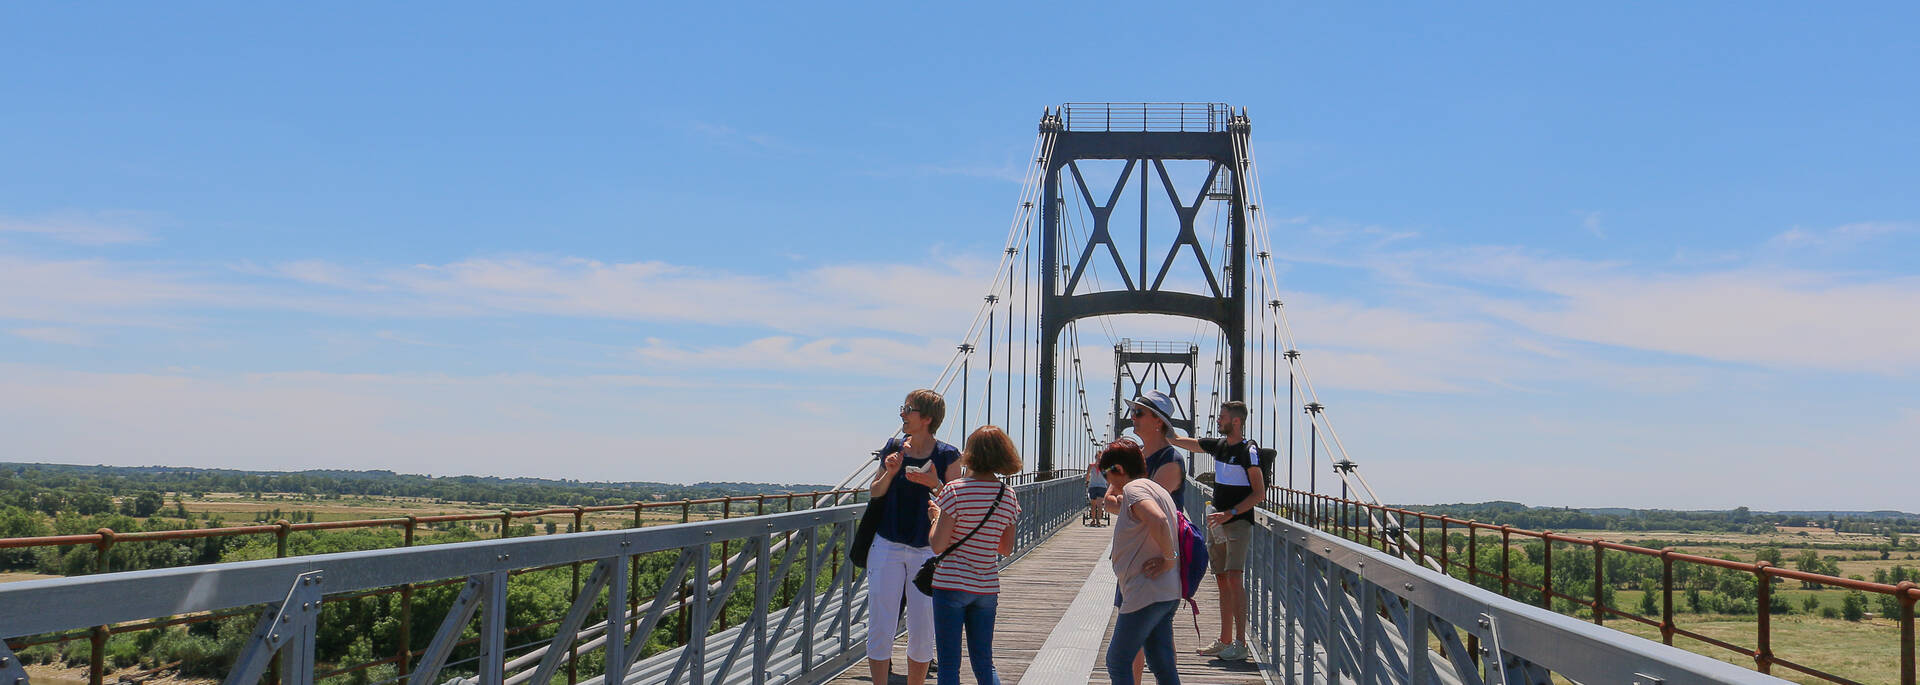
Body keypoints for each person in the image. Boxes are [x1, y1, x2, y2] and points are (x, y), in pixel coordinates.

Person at [867, 389, 964, 685]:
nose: (902, 414)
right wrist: (890, 472)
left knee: (922, 629)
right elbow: (875, 492)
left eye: (908, 409)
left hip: (928, 550)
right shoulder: (893, 447)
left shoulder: (948, 455)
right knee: (881, 625)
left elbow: (959, 504)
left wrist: (935, 484)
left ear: (927, 418)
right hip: (887, 544)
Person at [1168, 400, 1264, 662]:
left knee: (1234, 578)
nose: (1218, 421)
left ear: (1236, 421)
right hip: (1217, 523)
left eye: (1222, 418)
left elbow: (1259, 493)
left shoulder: (1248, 450)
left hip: (1237, 522)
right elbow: (1187, 442)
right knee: (1221, 579)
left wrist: (1231, 513)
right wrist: (1165, 430)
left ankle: (1241, 643)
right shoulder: (1220, 446)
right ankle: (1224, 640)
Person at [928, 426, 1024, 685]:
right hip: (985, 587)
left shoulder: (954, 491)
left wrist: (936, 519)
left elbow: (937, 545)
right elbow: (1005, 548)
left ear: (969, 453)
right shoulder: (1008, 495)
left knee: (949, 665)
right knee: (983, 661)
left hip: (950, 585)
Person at [1098, 440, 1183, 685]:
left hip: (1145, 592)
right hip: (1166, 591)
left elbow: (1157, 520)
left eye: (1107, 473)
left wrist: (1168, 559)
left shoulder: (1135, 490)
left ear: (1119, 469)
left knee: (1117, 661)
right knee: (1161, 663)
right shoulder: (1156, 489)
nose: (1107, 480)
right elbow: (1112, 504)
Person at [1126, 390, 1187, 513]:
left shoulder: (1171, 462)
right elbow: (1110, 501)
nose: (1132, 417)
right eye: (1133, 411)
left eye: (1138, 412)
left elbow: (1148, 508)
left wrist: (1123, 497)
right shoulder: (1135, 455)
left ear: (1158, 421)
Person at [1085, 459, 1109, 526]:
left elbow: (1087, 476)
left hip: (1093, 487)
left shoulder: (1091, 466)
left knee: (1093, 505)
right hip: (1102, 487)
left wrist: (1087, 482)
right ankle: (1098, 521)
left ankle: (1093, 521)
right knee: (1100, 505)